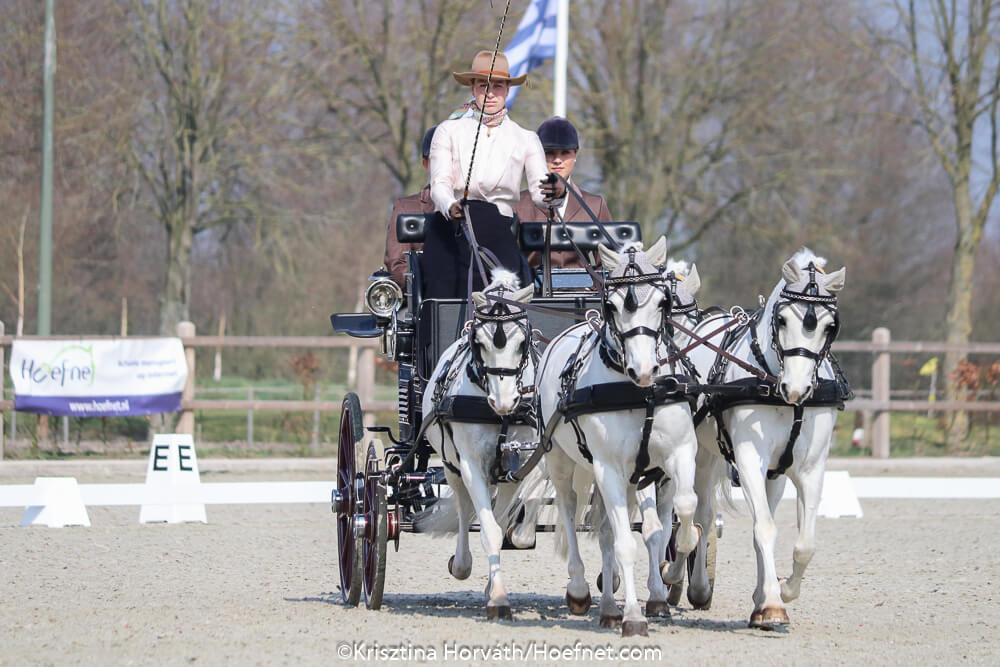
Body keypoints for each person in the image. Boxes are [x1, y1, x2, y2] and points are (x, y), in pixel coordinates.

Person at [423, 50, 565, 299]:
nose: (490, 93)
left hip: (498, 230)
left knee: (509, 301)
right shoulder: (447, 131)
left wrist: (556, 192)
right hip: (451, 229)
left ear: (508, 89)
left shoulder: (526, 138)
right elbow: (439, 184)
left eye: (497, 86)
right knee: (442, 299)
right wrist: (449, 205)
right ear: (472, 87)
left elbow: (540, 193)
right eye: (483, 86)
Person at [512, 116, 613, 270]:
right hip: (533, 285)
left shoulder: (595, 205)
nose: (557, 160)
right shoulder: (517, 204)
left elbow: (608, 263)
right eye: (549, 153)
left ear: (575, 154)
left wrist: (594, 284)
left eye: (565, 152)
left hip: (583, 286)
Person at [382, 126, 440, 288]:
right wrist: (429, 284)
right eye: (439, 160)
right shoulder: (406, 208)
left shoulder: (481, 207)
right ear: (426, 164)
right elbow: (397, 264)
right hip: (426, 296)